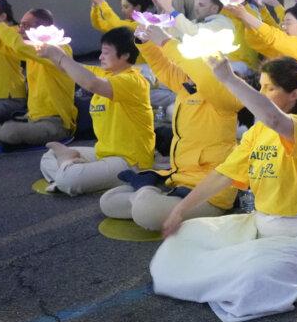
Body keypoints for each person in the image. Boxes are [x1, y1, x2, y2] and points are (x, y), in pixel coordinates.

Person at [151, 56, 297, 322]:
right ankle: (220, 275)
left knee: (252, 277)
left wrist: (228, 79)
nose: (262, 93)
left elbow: (275, 118)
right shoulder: (258, 131)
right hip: (261, 227)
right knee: (185, 237)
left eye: (270, 88)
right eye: (260, 86)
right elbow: (222, 175)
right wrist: (180, 210)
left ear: (294, 94)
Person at [100, 24, 240, 231]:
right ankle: (146, 194)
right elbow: (163, 67)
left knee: (147, 212)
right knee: (108, 201)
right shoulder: (189, 87)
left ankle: (145, 191)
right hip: (178, 180)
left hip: (211, 193)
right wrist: (145, 42)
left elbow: (208, 79)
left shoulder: (227, 92)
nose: (189, 66)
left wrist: (166, 42)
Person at [37, 27, 155, 195]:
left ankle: (66, 172)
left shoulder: (133, 80)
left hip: (130, 161)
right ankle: (66, 171)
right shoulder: (107, 74)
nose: (100, 57)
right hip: (104, 153)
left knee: (72, 179)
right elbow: (72, 69)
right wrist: (52, 51)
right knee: (48, 157)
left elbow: (91, 83)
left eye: (105, 53)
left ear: (126, 55)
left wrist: (60, 56)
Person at [0, 4, 75, 146]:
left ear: (43, 28)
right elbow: (4, 46)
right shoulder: (33, 51)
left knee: (10, 132)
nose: (20, 29)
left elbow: (18, 45)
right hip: (29, 118)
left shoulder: (58, 49)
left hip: (56, 123)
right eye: (20, 24)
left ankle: (6, 136)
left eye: (25, 25)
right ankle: (6, 136)